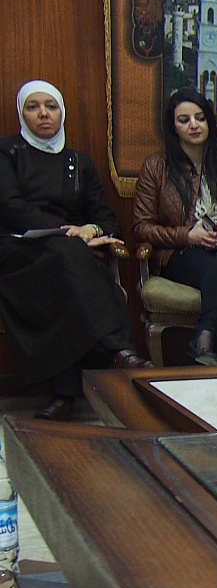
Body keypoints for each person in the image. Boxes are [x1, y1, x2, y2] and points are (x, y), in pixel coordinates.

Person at [0, 79, 150, 420]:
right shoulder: (7, 153)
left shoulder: (78, 162)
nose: (43, 114)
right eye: (33, 107)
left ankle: (66, 393)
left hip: (67, 255)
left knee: (67, 269)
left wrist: (90, 230)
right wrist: (68, 232)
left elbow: (107, 220)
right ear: (22, 114)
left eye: (51, 106)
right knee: (70, 259)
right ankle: (117, 350)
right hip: (17, 252)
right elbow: (10, 207)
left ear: (62, 113)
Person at [132, 88, 217, 364]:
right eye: (184, 120)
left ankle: (205, 335)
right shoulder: (156, 166)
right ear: (173, 126)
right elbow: (141, 227)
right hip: (186, 253)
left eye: (200, 118)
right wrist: (188, 236)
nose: (194, 125)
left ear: (210, 122)